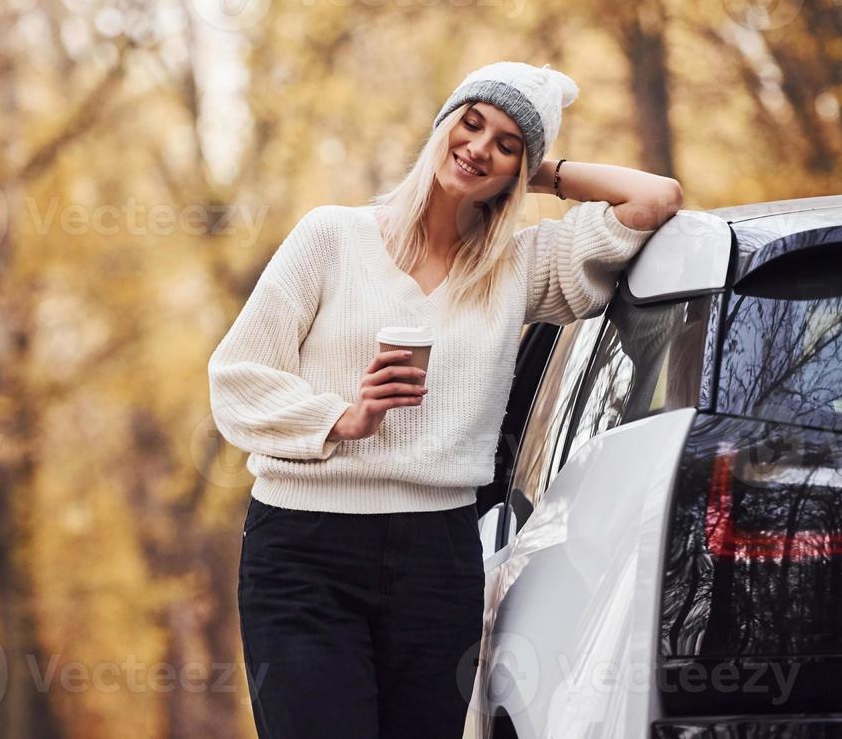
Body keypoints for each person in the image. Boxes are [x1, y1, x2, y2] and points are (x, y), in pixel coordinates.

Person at [208, 61, 683, 739]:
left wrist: (541, 171)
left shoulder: (516, 268)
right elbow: (237, 375)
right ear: (442, 124)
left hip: (437, 559)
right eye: (471, 122)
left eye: (506, 143)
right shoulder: (332, 237)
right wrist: (343, 416)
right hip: (304, 551)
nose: (479, 146)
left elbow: (655, 199)